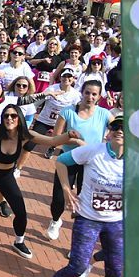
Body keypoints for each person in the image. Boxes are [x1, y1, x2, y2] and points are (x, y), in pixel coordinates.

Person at [32, 114, 125, 277]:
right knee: (78, 266)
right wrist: (66, 190)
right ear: (109, 132)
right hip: (88, 219)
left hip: (115, 223)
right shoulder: (94, 151)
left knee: (116, 270)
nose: (120, 131)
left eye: (125, 128)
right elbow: (62, 162)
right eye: (116, 127)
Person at [0, 104, 79, 258]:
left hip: (5, 176)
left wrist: (69, 136)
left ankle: (19, 242)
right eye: (6, 116)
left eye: (13, 116)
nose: (9, 118)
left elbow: (52, 141)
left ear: (19, 118)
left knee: (20, 211)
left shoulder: (25, 135)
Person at [46, 79, 114, 240]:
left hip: (91, 162)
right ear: (82, 93)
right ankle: (55, 220)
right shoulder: (68, 111)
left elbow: (119, 130)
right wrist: (76, 141)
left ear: (99, 97)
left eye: (94, 94)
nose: (90, 97)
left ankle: (79, 240)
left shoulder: (104, 114)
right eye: (87, 93)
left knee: (85, 201)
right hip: (68, 159)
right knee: (59, 197)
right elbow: (56, 137)